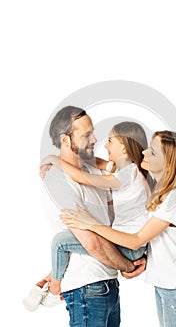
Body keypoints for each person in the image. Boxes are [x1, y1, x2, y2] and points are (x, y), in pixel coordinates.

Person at [61, 130, 176, 327]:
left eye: (152, 152)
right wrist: (146, 260)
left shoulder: (175, 198)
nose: (144, 152)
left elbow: (137, 239)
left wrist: (91, 224)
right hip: (168, 283)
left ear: (169, 164)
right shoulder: (162, 191)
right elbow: (160, 238)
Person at [23, 106, 145, 327]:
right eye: (86, 134)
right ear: (66, 140)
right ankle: (54, 286)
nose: (95, 139)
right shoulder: (58, 180)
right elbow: (90, 241)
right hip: (87, 290)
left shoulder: (94, 172)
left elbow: (101, 228)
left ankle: (53, 283)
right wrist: (128, 266)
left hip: (107, 285)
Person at [40, 121, 152, 298]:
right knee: (77, 241)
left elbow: (82, 177)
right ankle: (52, 277)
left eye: (110, 140)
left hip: (128, 246)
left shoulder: (126, 174)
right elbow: (96, 162)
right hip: (129, 244)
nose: (105, 145)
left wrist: (53, 160)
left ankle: (55, 289)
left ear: (124, 148)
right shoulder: (125, 169)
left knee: (60, 242)